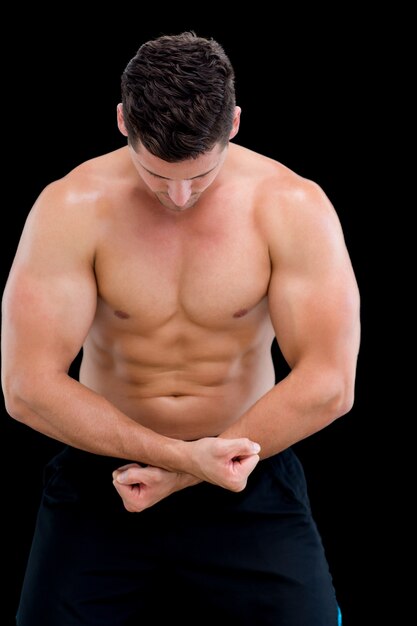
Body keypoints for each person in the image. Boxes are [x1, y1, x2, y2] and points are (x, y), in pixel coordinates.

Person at [1, 31, 360, 625]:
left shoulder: (291, 205)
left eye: (201, 173)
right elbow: (27, 387)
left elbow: (330, 383)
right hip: (102, 477)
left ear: (236, 124)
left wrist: (191, 471)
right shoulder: (70, 207)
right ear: (122, 121)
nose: (179, 195)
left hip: (250, 469)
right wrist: (182, 459)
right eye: (156, 173)